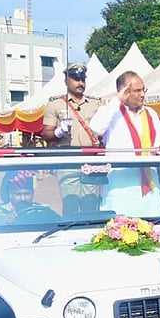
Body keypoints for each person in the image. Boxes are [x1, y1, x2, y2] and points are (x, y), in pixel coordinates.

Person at [89, 71, 160, 216]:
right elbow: (96, 127)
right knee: (119, 234)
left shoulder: (151, 113)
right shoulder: (111, 111)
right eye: (137, 91)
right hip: (120, 187)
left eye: (143, 90)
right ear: (125, 92)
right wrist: (118, 99)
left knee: (154, 232)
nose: (142, 94)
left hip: (150, 187)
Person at [41, 62, 103, 216]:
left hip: (91, 159)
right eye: (76, 79)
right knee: (71, 204)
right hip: (68, 159)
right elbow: (46, 134)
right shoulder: (55, 104)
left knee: (91, 203)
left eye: (82, 79)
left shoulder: (95, 103)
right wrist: (59, 132)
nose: (80, 83)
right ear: (66, 81)